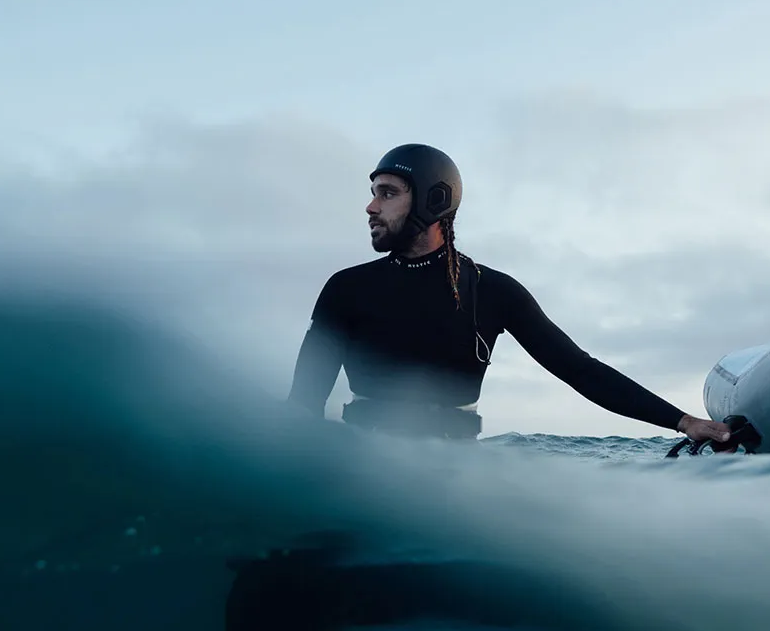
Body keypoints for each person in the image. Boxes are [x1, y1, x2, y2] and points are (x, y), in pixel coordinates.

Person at [290, 143, 731, 444]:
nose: (371, 207)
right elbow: (303, 406)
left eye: (387, 194)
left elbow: (580, 370)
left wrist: (684, 422)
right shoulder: (346, 289)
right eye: (373, 194)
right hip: (364, 468)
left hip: (450, 480)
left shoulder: (492, 291)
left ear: (434, 201)